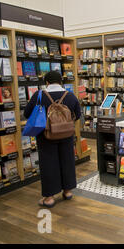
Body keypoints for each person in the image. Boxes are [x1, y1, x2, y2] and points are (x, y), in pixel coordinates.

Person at [24, 71, 81, 208]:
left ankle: (49, 197)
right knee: (67, 161)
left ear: (47, 82)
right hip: (66, 134)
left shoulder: (39, 95)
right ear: (61, 82)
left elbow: (27, 113)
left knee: (48, 164)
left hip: (46, 135)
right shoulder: (70, 96)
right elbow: (77, 115)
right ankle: (67, 191)